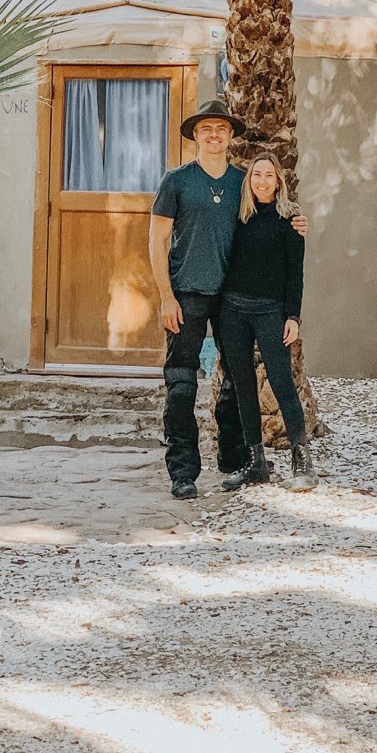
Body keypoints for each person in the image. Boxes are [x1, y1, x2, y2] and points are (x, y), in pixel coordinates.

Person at [149, 100, 307, 500]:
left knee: (236, 381)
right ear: (196, 136)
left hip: (232, 298)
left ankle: (237, 460)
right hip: (186, 292)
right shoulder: (177, 181)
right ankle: (183, 471)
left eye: (221, 128)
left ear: (230, 135)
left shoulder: (242, 181)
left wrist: (294, 222)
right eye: (207, 129)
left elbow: (270, 212)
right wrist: (166, 297)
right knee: (182, 382)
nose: (214, 134)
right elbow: (157, 240)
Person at [218, 151, 315, 493]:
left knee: (282, 382)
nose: (262, 180)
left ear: (278, 182)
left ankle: (302, 458)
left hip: (270, 312)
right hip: (232, 312)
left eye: (268, 175)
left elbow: (295, 277)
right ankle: (255, 461)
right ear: (250, 180)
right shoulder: (236, 217)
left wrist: (293, 316)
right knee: (243, 385)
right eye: (256, 174)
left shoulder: (290, 222)